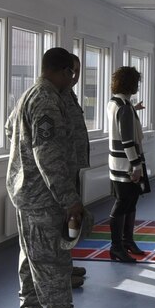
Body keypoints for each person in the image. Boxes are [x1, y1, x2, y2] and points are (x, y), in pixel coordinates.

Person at [8, 46, 105, 308]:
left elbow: (12, 127)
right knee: (53, 263)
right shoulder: (47, 101)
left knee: (31, 261)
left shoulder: (33, 95)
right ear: (66, 72)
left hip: (31, 194)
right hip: (44, 197)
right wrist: (69, 199)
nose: (73, 79)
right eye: (72, 74)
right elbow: (47, 154)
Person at [107, 65, 149, 263]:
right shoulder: (124, 107)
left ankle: (127, 241)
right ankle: (117, 246)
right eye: (136, 83)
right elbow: (127, 139)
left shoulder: (116, 103)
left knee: (131, 201)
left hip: (117, 162)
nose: (138, 86)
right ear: (130, 84)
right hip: (126, 164)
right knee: (124, 202)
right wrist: (136, 165)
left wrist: (135, 109)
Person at [60, 50, 90, 289]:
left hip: (72, 171)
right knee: (59, 228)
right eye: (72, 71)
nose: (76, 76)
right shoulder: (52, 98)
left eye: (78, 72)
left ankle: (67, 266)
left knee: (70, 225)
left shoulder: (69, 95)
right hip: (59, 176)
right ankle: (61, 275)